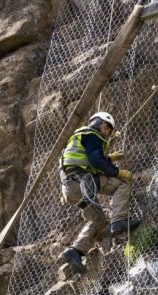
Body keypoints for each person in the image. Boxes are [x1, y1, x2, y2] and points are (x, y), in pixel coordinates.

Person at [59, 111, 140, 273]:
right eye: (108, 130)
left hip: (71, 188)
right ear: (102, 124)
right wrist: (118, 172)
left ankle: (75, 251)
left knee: (98, 219)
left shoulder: (78, 138)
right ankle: (118, 221)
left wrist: (109, 158)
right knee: (122, 184)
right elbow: (95, 160)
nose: (107, 134)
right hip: (83, 181)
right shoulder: (93, 134)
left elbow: (88, 159)